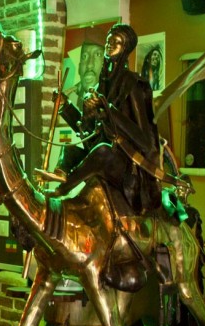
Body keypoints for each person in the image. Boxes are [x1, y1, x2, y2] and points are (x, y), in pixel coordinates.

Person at [52, 23, 164, 217]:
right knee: (69, 150)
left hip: (127, 166)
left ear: (125, 49)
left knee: (103, 151)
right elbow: (88, 133)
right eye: (108, 40)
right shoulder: (102, 85)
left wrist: (107, 110)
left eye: (116, 42)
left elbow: (145, 142)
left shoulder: (132, 84)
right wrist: (66, 106)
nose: (110, 44)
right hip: (104, 156)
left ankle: (62, 191)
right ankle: (60, 178)